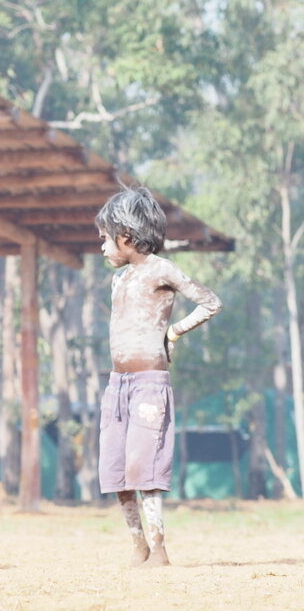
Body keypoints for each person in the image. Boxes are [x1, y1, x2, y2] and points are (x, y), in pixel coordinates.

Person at [96, 186, 222, 568]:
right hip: (117, 385)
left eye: (104, 238)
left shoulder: (161, 269)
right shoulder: (120, 280)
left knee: (144, 467)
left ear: (126, 237)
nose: (101, 246)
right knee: (116, 471)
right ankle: (138, 546)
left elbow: (210, 302)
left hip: (150, 384)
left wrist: (174, 332)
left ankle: (160, 549)